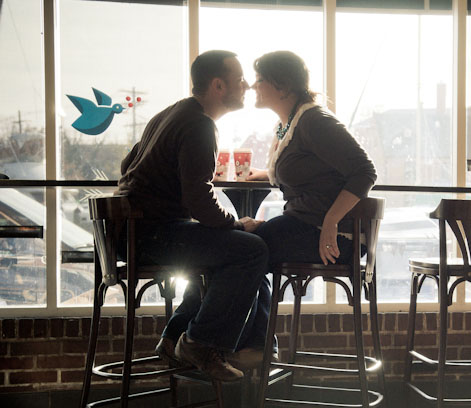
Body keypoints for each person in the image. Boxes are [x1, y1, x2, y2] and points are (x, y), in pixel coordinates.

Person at [115, 50, 268, 382]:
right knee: (251, 249)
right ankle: (201, 343)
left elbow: (127, 167)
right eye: (239, 80)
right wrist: (235, 223)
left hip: (128, 234)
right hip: (153, 235)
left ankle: (174, 338)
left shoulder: (171, 113)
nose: (246, 86)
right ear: (218, 85)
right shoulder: (200, 125)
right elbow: (199, 198)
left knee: (222, 252)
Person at [246, 50, 377, 343]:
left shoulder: (313, 120)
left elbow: (365, 171)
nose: (254, 86)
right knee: (243, 248)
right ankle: (253, 343)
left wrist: (332, 220)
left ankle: (248, 343)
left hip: (332, 236)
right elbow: (307, 172)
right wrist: (257, 174)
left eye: (260, 80)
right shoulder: (289, 125)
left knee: (243, 250)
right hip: (304, 225)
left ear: (282, 85)